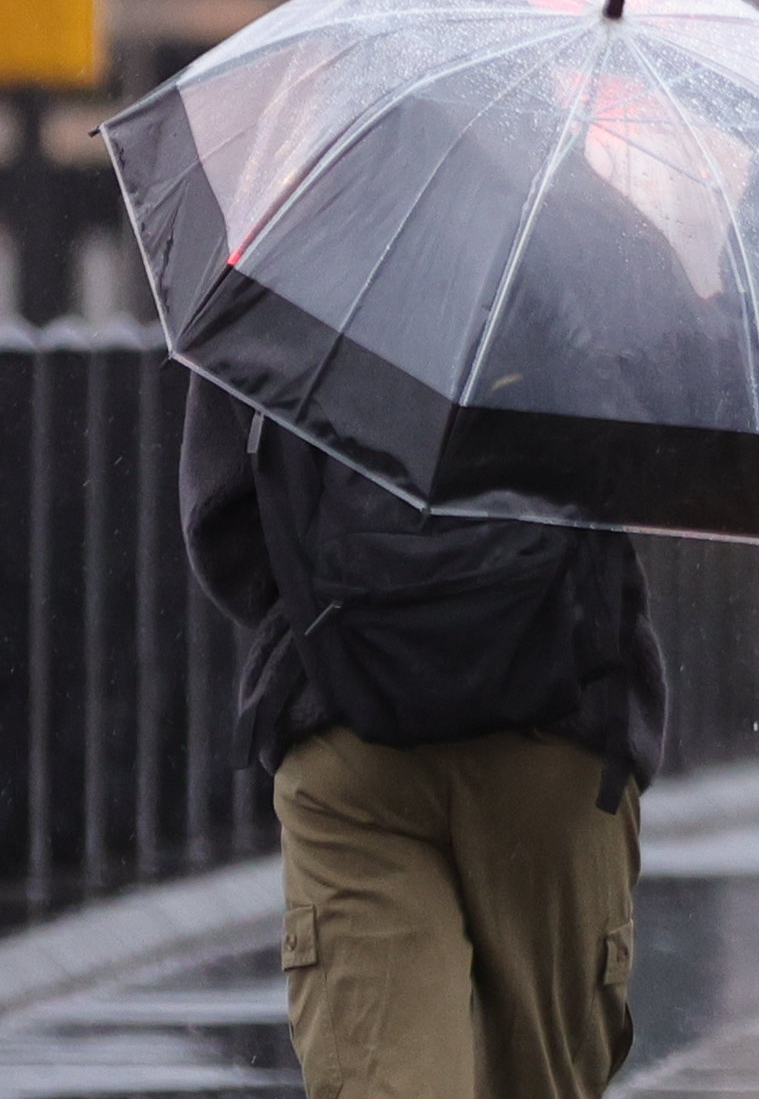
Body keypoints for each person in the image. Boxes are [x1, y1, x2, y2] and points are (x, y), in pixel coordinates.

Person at [180, 378, 667, 1099]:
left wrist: (349, 606)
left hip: (347, 734)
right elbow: (673, 461)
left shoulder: (281, 274)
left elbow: (226, 527)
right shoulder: (590, 272)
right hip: (555, 723)